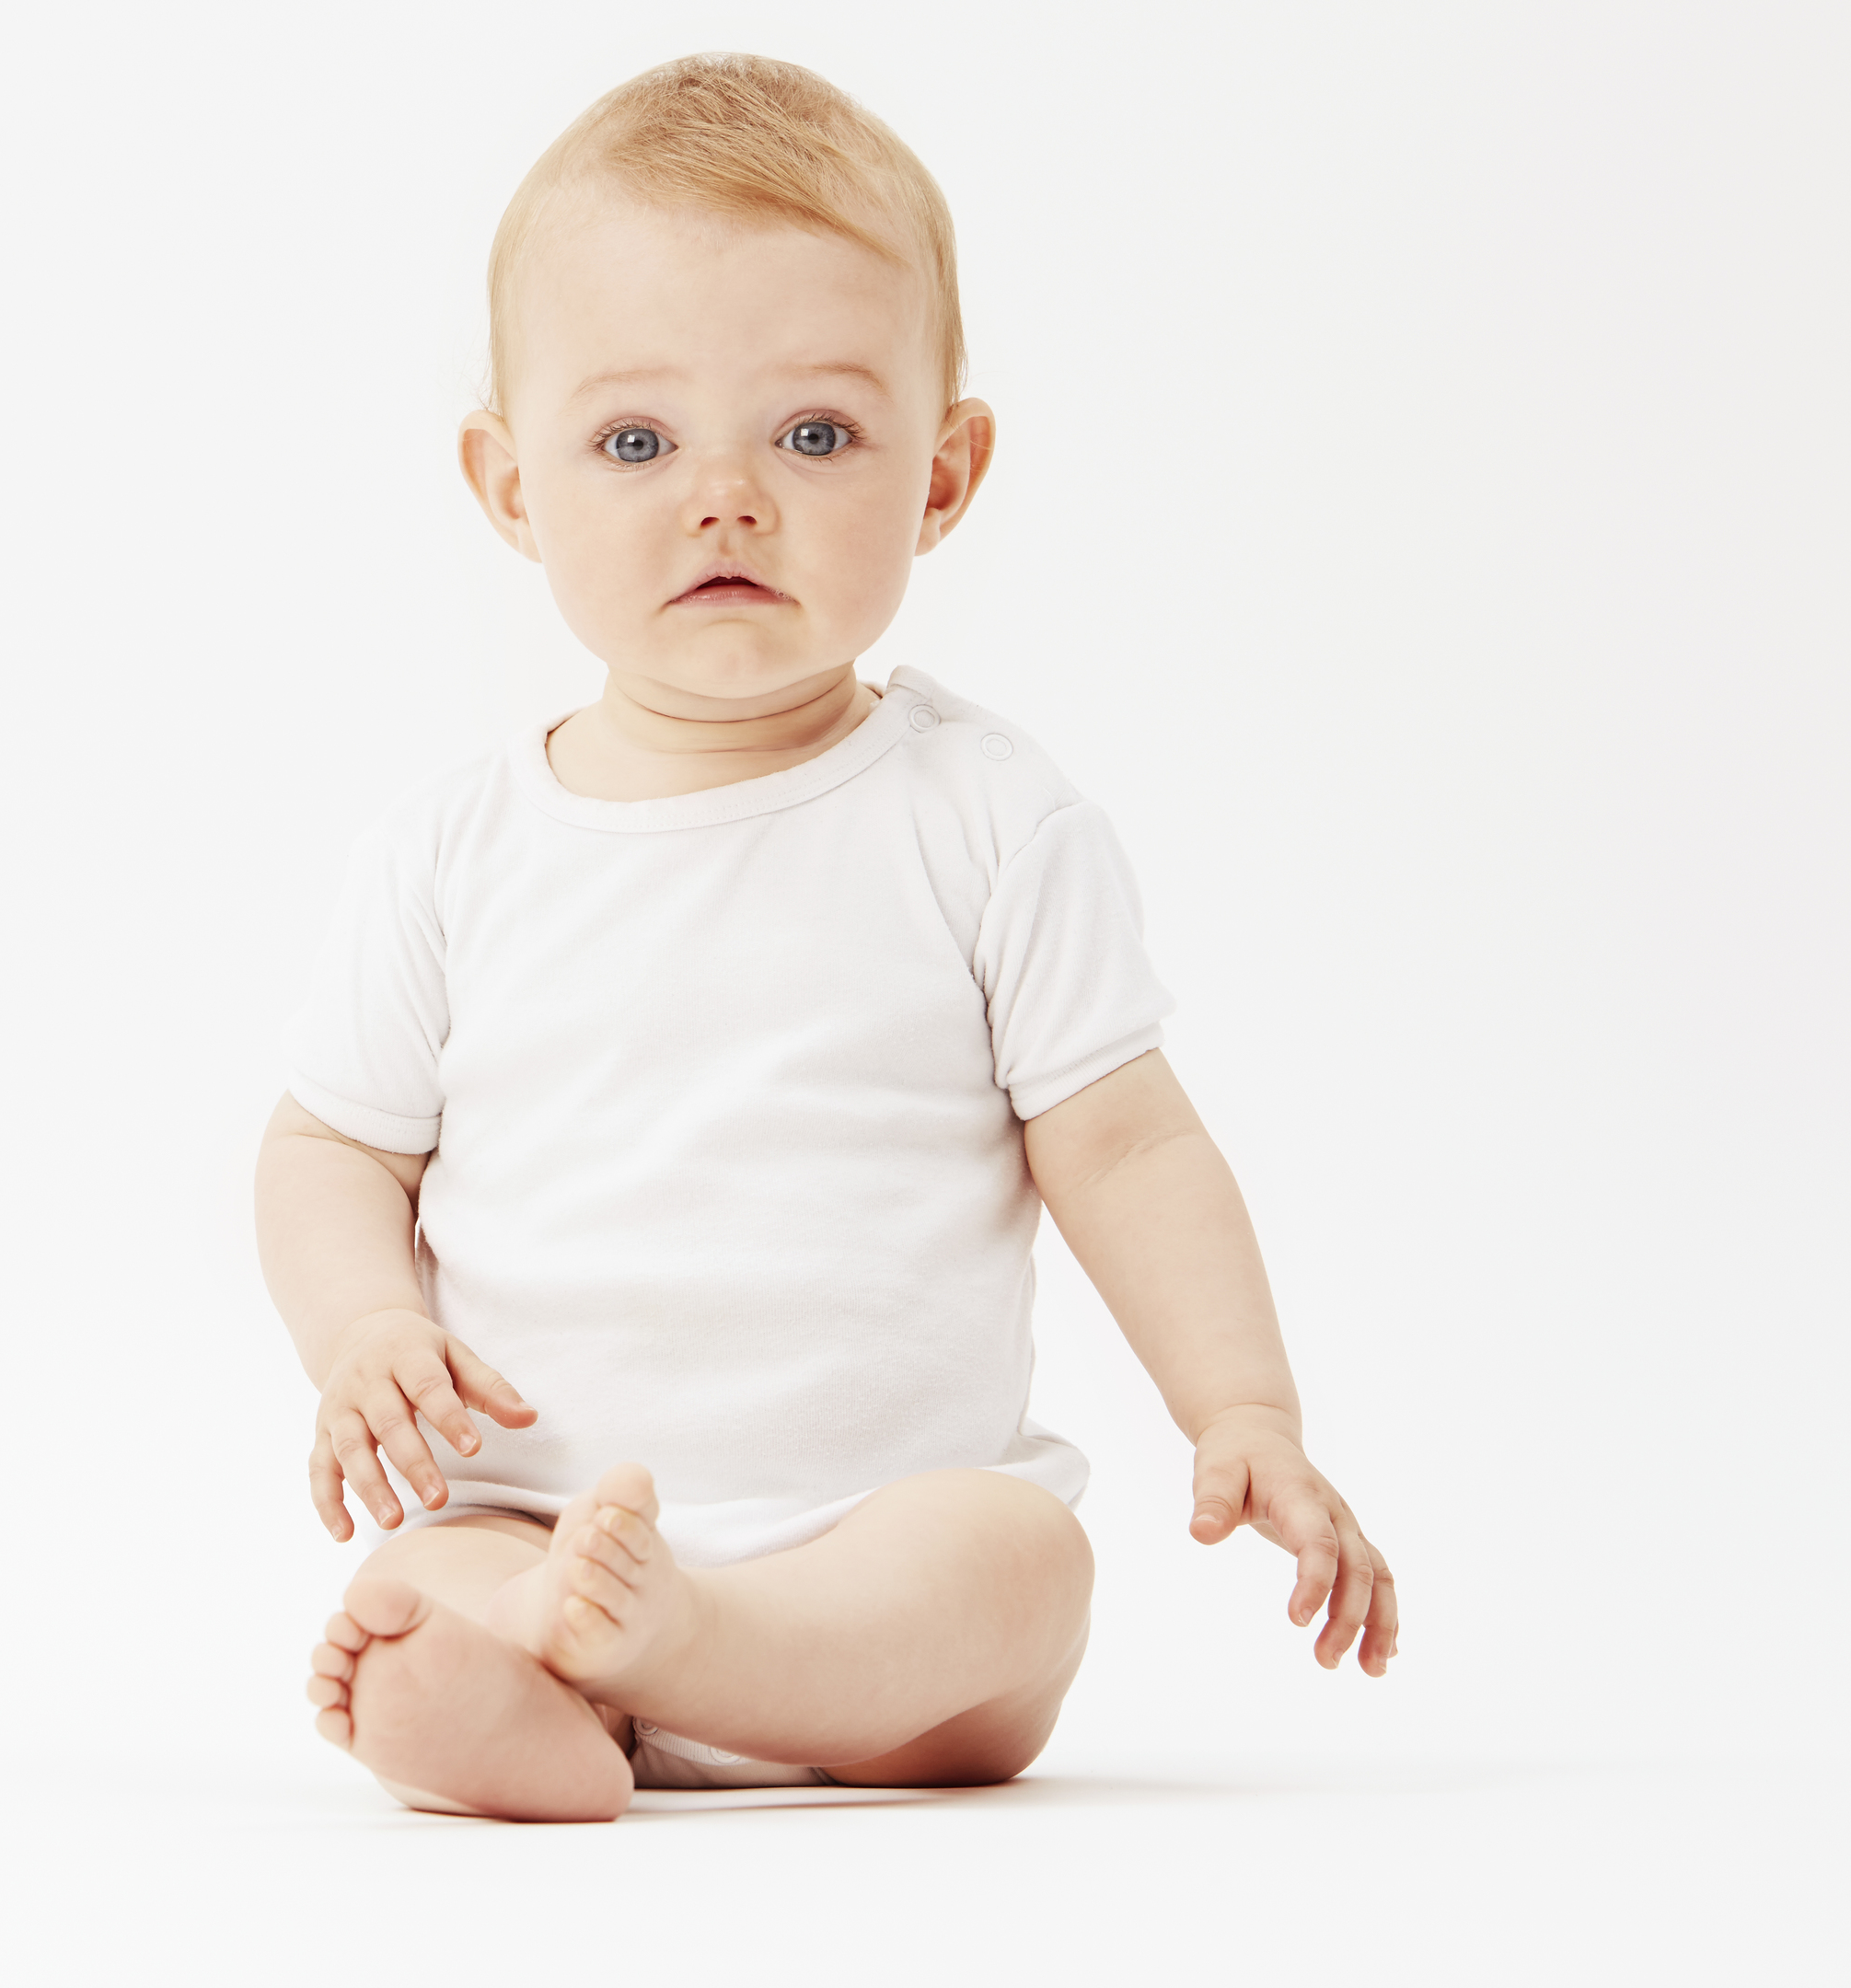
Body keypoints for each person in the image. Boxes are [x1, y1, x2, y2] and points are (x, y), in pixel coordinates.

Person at [260, 52, 1398, 1822]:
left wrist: (1242, 1409)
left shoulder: (990, 821)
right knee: (426, 1603)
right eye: (635, 442)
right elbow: (332, 1147)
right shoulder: (453, 853)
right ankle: (541, 1706)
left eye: (815, 435)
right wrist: (360, 1337)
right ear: (509, 486)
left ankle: (691, 1653)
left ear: (944, 476)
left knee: (1023, 1563)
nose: (727, 497)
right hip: (543, 1515)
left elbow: (1126, 1139)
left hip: (890, 1559)